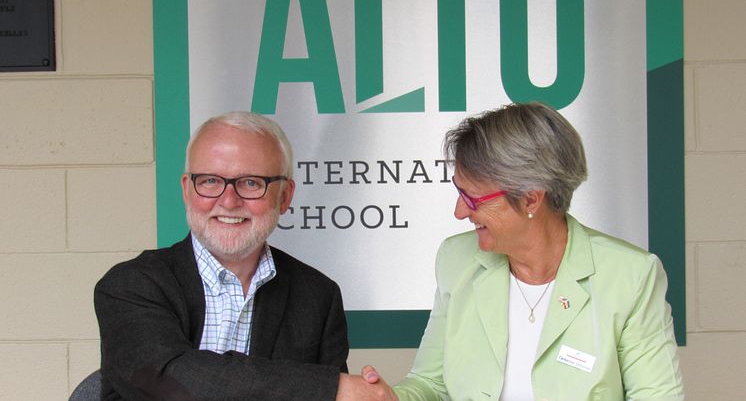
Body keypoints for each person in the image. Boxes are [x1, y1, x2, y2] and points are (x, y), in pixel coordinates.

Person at [384, 102, 684, 400]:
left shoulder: (630, 276)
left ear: (530, 200)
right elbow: (431, 385)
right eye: (459, 192)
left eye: (473, 199)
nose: (460, 212)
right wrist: (390, 399)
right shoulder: (456, 260)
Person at [95, 111, 390, 400]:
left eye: (251, 182)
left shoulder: (317, 296)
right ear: (187, 190)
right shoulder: (131, 285)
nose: (228, 200)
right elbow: (170, 378)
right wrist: (331, 388)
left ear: (284, 196)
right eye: (210, 180)